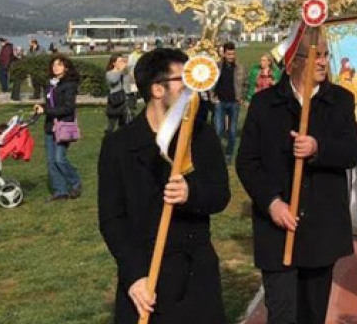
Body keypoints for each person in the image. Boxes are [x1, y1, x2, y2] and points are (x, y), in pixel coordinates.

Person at [235, 32, 357, 324]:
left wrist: (319, 148)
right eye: (317, 55)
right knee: (281, 315)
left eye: (326, 55)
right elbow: (247, 162)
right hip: (277, 231)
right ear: (294, 61)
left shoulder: (340, 100)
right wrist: (271, 203)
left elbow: (352, 152)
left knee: (313, 315)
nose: (323, 62)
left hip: (321, 229)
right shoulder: (265, 104)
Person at [98, 47, 231, 324]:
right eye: (183, 80)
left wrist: (190, 193)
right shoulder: (119, 145)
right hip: (147, 273)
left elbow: (220, 195)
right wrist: (134, 276)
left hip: (195, 274)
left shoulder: (201, 135)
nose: (191, 88)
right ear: (157, 89)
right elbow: (112, 218)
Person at [33, 54, 83, 201]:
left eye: (59, 65)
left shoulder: (70, 85)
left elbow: (68, 108)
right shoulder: (50, 84)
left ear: (66, 68)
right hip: (50, 126)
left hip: (63, 126)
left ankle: (75, 182)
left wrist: (46, 110)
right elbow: (50, 104)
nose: (56, 67)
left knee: (59, 159)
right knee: (51, 161)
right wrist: (41, 107)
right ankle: (60, 191)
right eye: (54, 65)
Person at [211, 42, 246, 162]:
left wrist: (241, 97)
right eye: (229, 54)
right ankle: (216, 153)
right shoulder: (217, 66)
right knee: (218, 130)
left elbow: (245, 84)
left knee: (232, 131)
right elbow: (210, 83)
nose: (231, 56)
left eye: (233, 54)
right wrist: (213, 98)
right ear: (224, 54)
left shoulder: (240, 67)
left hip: (234, 103)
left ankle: (229, 154)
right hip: (220, 102)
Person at [105, 54, 133, 133]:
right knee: (111, 124)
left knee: (124, 123)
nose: (121, 63)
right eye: (120, 61)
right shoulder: (109, 73)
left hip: (123, 100)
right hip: (115, 100)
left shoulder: (124, 72)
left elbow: (129, 81)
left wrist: (127, 70)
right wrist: (120, 70)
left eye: (122, 61)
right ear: (114, 63)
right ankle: (108, 138)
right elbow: (114, 81)